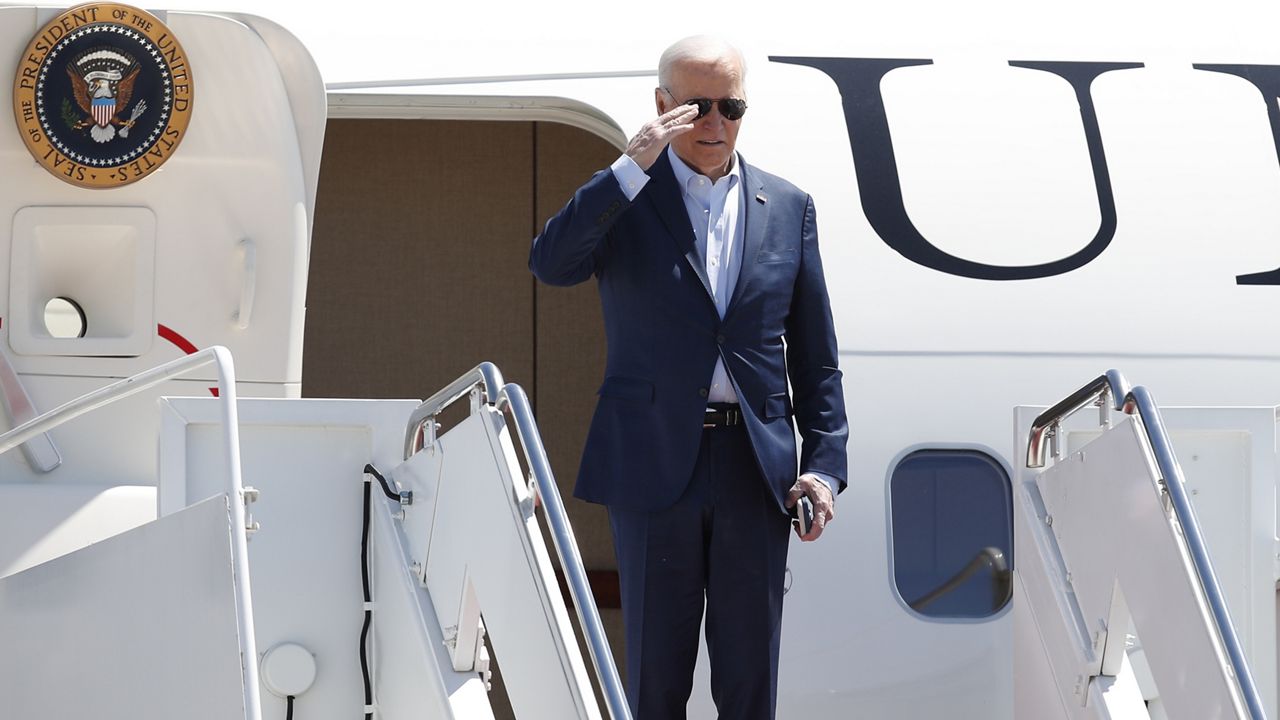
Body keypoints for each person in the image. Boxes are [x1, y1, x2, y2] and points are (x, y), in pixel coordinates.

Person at [529, 35, 848, 719]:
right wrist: (627, 167)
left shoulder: (788, 207)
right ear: (662, 106)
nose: (714, 123)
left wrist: (823, 467)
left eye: (730, 107)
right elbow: (551, 264)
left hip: (752, 467)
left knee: (748, 680)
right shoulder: (625, 200)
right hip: (650, 463)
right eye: (696, 107)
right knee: (654, 680)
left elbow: (816, 355)